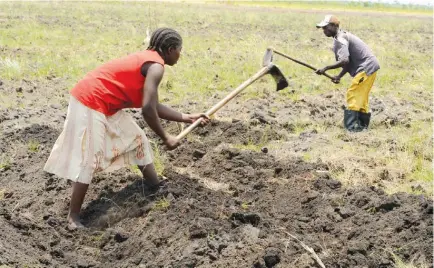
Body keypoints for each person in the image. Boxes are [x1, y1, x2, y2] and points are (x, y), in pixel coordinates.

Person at [44, 28, 209, 228]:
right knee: (90, 157)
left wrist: (186, 117)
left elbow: (153, 105)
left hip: (105, 103)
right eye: (180, 50)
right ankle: (73, 217)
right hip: (90, 100)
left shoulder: (151, 61)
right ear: (171, 49)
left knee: (137, 139)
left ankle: (155, 186)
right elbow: (147, 110)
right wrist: (166, 137)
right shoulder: (156, 67)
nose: (180, 55)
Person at [315, 15, 380, 132]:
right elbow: (347, 63)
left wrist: (325, 68)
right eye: (322, 28)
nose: (324, 30)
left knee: (353, 93)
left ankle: (352, 129)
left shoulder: (340, 38)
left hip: (366, 67)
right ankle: (361, 127)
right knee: (361, 96)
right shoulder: (340, 37)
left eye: (326, 27)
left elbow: (345, 60)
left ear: (335, 26)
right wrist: (339, 76)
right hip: (370, 66)